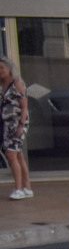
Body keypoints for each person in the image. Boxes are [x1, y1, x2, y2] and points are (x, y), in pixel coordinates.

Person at [0, 56, 32, 201]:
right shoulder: (2, 84)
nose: (0, 71)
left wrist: (21, 124)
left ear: (9, 69)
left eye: (2, 68)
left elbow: (24, 106)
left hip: (17, 122)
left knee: (11, 154)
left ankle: (18, 188)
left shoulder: (17, 83)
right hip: (6, 123)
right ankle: (27, 187)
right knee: (18, 155)